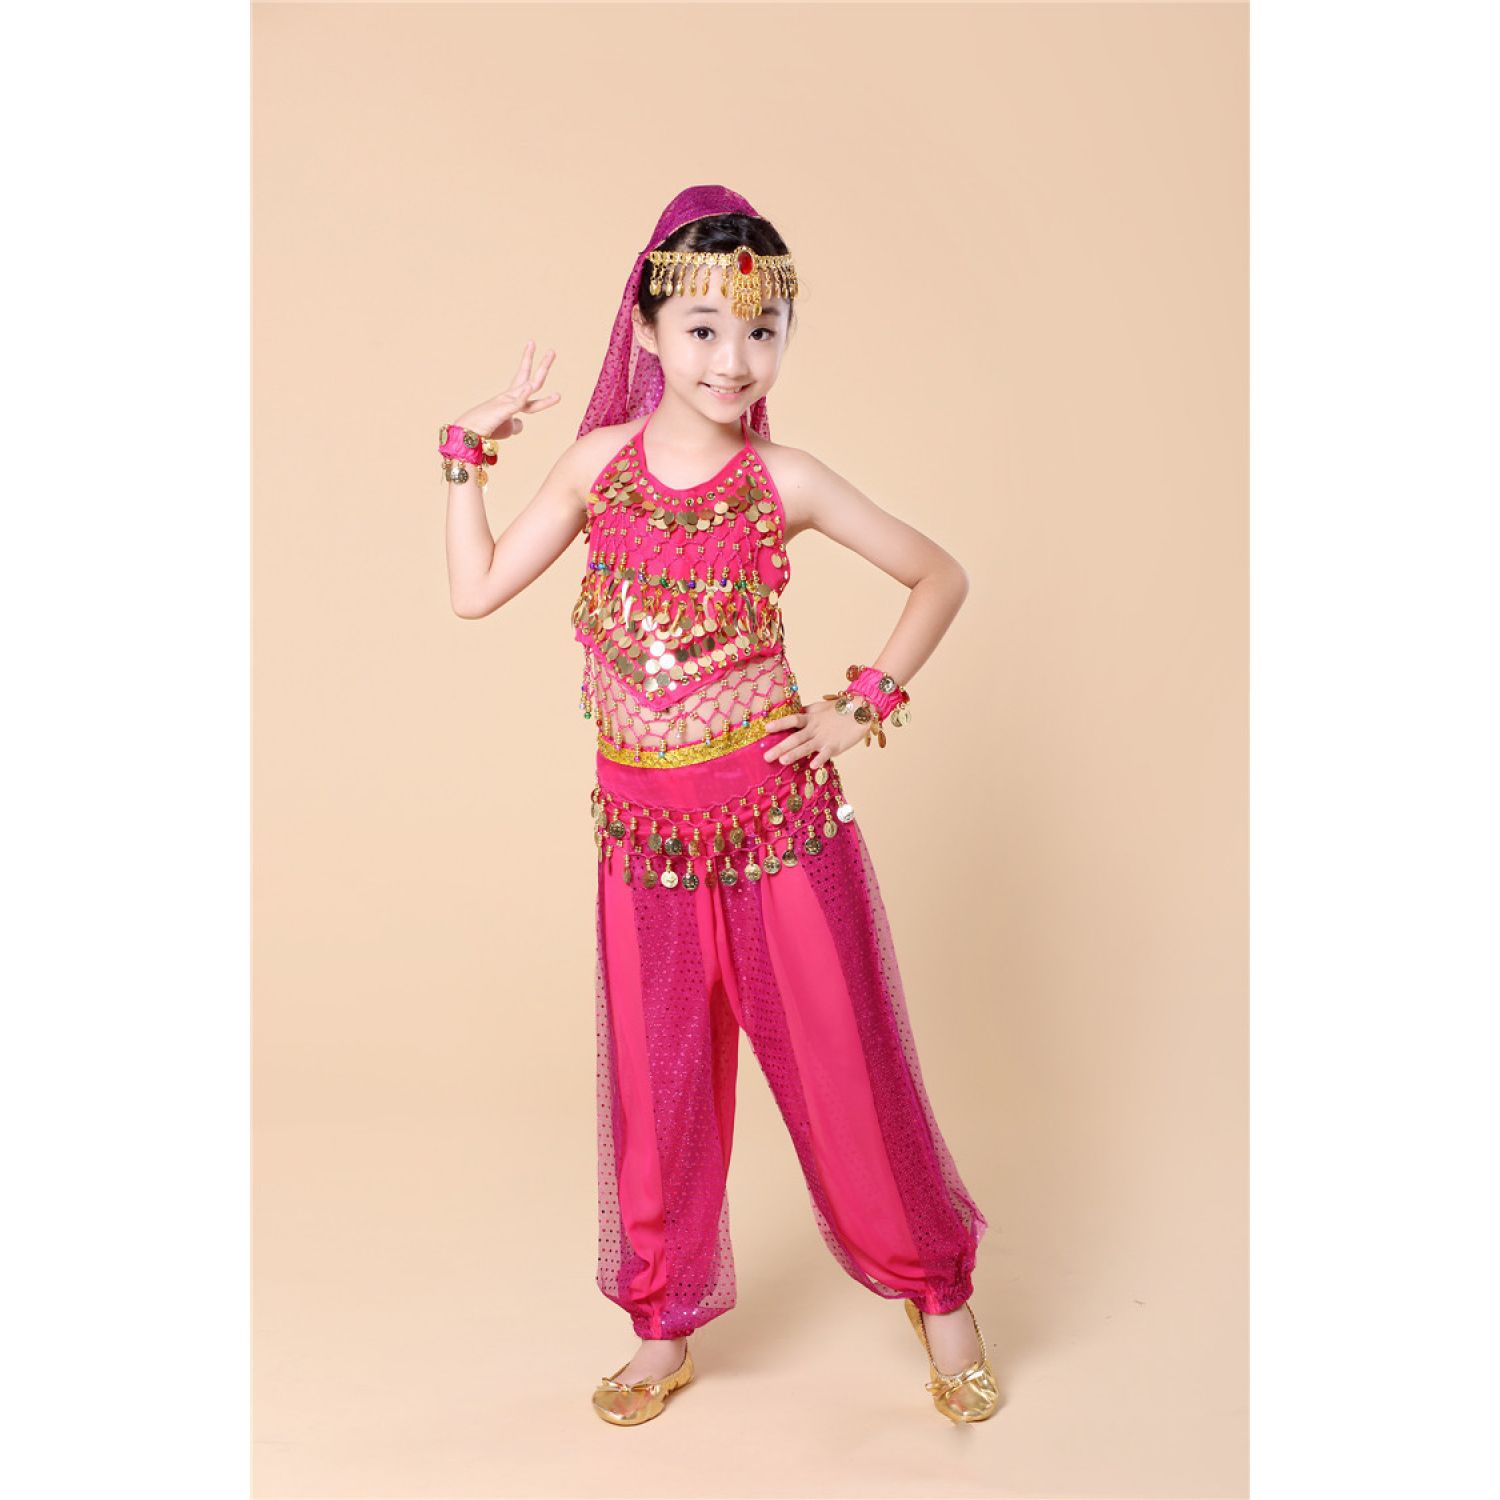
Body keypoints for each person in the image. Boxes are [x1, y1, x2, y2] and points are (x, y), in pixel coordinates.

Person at [439, 184, 1000, 1427]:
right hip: (642, 846)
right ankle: (662, 1327)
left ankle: (941, 1296)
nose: (732, 359)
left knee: (847, 1067)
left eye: (762, 330)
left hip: (777, 833)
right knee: (660, 1088)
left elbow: (937, 575)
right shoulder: (597, 467)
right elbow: (474, 591)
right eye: (701, 329)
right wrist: (464, 455)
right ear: (645, 330)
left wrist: (862, 705)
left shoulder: (784, 479)